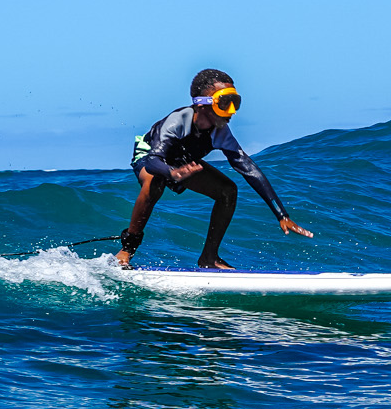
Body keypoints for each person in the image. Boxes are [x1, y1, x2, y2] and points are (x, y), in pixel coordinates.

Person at [117, 69, 312, 270]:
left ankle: (209, 258)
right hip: (151, 156)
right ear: (202, 104)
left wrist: (282, 214)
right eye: (225, 103)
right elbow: (153, 161)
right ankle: (126, 251)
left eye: (235, 102)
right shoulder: (178, 121)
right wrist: (171, 173)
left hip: (183, 161)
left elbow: (250, 170)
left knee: (227, 191)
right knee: (155, 181)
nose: (232, 111)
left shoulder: (220, 132)